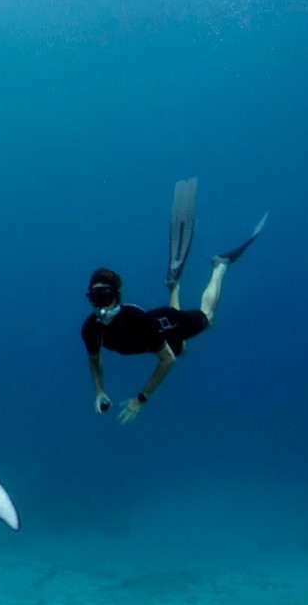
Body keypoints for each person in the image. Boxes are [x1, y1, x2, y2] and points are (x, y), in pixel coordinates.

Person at [82, 177, 265, 425]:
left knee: (206, 320)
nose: (100, 306)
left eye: (106, 297)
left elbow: (167, 360)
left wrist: (141, 399)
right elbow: (94, 360)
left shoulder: (137, 322)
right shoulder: (90, 330)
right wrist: (99, 391)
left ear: (118, 297)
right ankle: (174, 284)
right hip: (155, 331)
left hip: (165, 323)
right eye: (95, 298)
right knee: (181, 348)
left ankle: (220, 266)